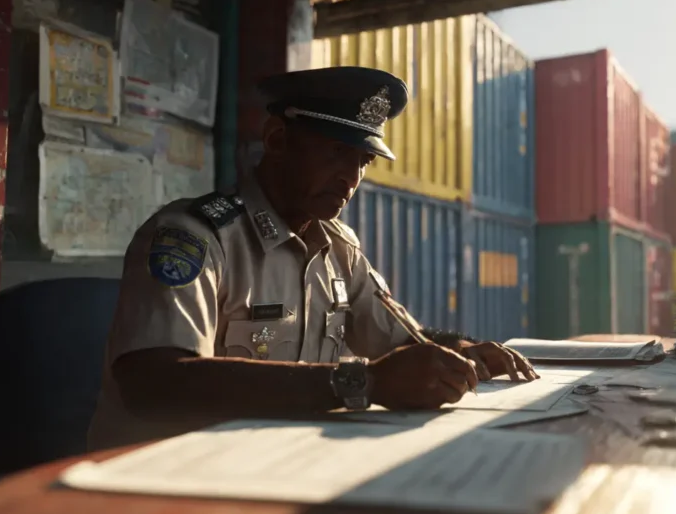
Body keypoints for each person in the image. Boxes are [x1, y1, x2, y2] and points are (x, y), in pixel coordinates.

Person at [87, 67, 538, 451]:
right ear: (278, 139)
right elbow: (154, 385)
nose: (351, 177)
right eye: (337, 151)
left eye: (363, 161)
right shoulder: (195, 237)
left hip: (275, 470)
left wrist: (457, 350)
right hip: (161, 485)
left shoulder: (339, 248)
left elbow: (398, 342)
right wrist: (363, 383)